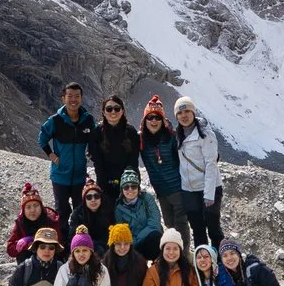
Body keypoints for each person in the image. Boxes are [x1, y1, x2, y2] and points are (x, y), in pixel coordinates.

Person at [38, 81, 98, 226]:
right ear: (63, 98)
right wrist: (50, 155)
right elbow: (42, 138)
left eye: (77, 96)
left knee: (80, 210)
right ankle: (64, 242)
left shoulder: (88, 120)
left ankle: (78, 243)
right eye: (70, 96)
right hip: (60, 176)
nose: (73, 100)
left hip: (79, 175)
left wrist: (90, 152)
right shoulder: (55, 120)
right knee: (62, 212)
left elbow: (94, 139)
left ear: (81, 99)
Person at [173, 95, 223, 248]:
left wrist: (208, 195)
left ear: (193, 112)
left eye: (187, 111)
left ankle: (220, 262)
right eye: (180, 113)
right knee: (197, 229)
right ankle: (203, 263)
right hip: (189, 190)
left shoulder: (205, 134)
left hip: (209, 188)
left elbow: (211, 164)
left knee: (213, 227)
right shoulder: (178, 134)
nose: (183, 116)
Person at [136, 96, 183, 236]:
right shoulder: (140, 139)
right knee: (169, 224)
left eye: (157, 117)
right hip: (161, 191)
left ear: (163, 120)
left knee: (181, 224)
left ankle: (184, 255)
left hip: (178, 189)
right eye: (150, 117)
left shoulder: (172, 137)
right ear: (145, 120)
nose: (154, 121)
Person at [91, 92, 141, 199]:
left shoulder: (131, 132)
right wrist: (103, 183)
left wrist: (128, 182)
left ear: (122, 111)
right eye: (109, 109)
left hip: (128, 183)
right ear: (104, 112)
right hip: (105, 183)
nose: (113, 111)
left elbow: (133, 160)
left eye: (117, 108)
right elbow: (97, 160)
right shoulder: (97, 132)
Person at [111, 169, 163, 252]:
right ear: (122, 190)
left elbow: (154, 223)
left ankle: (157, 263)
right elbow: (122, 231)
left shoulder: (147, 199)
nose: (130, 189)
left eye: (134, 186)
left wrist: (137, 239)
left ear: (138, 188)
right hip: (132, 244)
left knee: (155, 237)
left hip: (148, 238)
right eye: (126, 187)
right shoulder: (118, 208)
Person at [7, 183, 59, 261]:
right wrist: (21, 244)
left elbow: (60, 243)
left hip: (49, 257)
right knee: (22, 254)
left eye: (36, 205)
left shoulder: (51, 219)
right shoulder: (20, 222)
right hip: (29, 261)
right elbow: (10, 249)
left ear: (41, 206)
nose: (32, 210)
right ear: (23, 210)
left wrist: (36, 241)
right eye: (28, 207)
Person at [69, 177, 114, 253]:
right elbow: (73, 237)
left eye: (96, 196)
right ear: (84, 200)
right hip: (84, 249)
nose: (93, 200)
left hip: (106, 249)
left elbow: (112, 233)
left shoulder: (108, 211)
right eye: (89, 197)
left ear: (101, 198)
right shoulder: (77, 214)